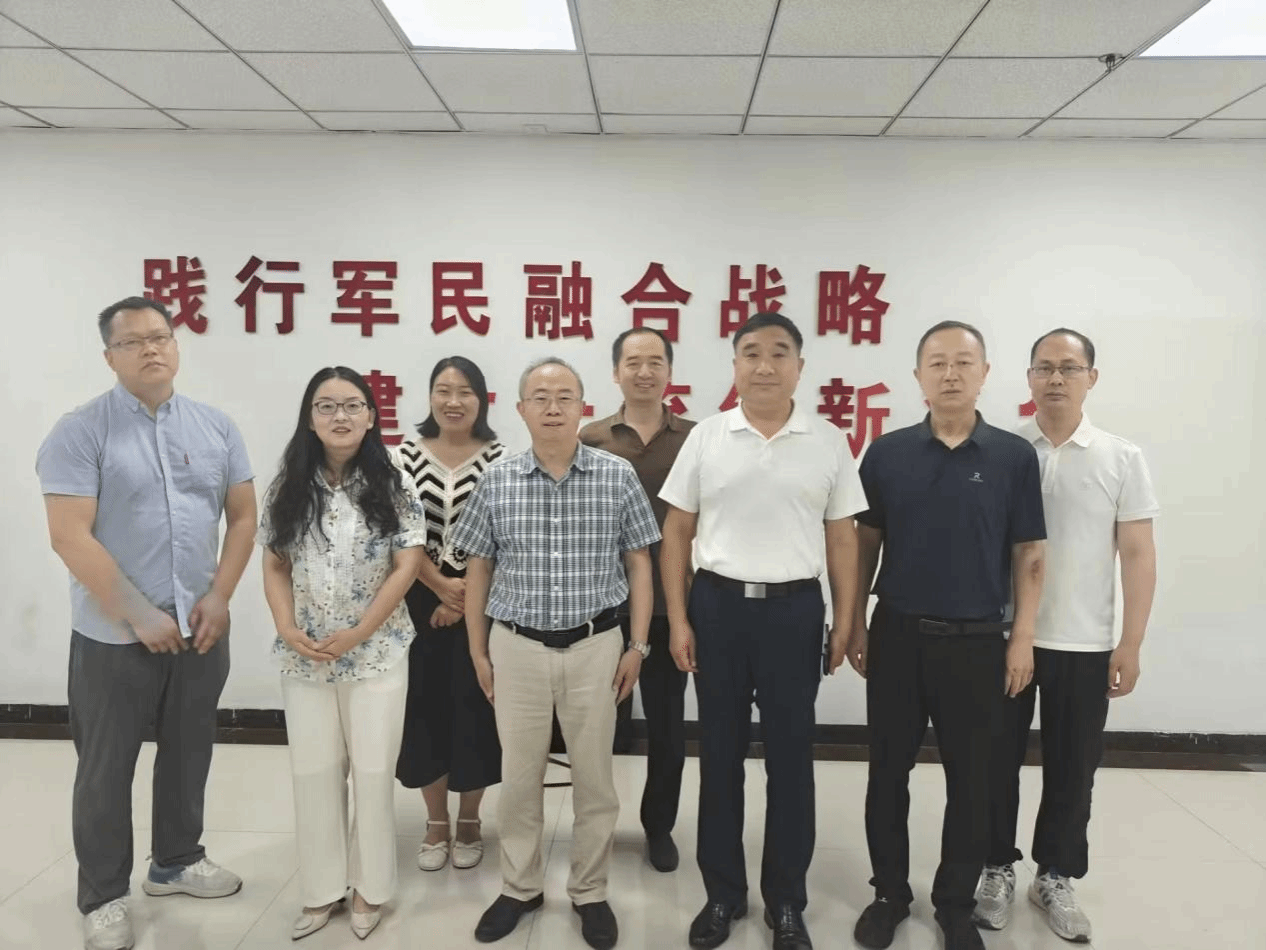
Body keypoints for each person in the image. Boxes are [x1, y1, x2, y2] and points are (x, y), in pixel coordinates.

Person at [36, 296, 256, 950]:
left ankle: (176, 862)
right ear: (110, 357)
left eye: (160, 336)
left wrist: (220, 595)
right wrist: (137, 613)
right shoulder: (80, 432)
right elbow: (69, 536)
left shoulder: (215, 427)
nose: (151, 349)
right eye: (132, 342)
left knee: (190, 752)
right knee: (106, 770)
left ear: (176, 345)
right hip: (113, 639)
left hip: (201, 628)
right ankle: (104, 896)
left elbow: (243, 517)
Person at [659, 312, 865, 950]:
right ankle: (722, 894)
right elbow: (677, 532)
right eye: (751, 352)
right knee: (720, 758)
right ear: (735, 366)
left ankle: (787, 903)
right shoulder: (708, 437)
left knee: (791, 761)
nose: (765, 365)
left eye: (779, 353)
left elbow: (842, 538)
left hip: (794, 611)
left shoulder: (828, 441)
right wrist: (680, 618)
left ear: (800, 367)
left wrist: (846, 620)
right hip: (717, 608)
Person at [847, 320, 1046, 950]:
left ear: (985, 374)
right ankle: (889, 893)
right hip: (897, 636)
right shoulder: (887, 453)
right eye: (937, 363)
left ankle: (955, 904)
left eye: (964, 362)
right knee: (888, 772)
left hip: (979, 641)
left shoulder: (1013, 458)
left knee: (972, 779)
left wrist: (1022, 638)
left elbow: (1029, 554)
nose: (951, 373)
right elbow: (865, 544)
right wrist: (853, 622)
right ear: (918, 376)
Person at [450, 357, 660, 950]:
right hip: (515, 646)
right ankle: (519, 887)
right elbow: (478, 568)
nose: (552, 407)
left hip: (597, 645)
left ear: (582, 407)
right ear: (520, 409)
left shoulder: (617, 475)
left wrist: (638, 645)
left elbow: (639, 563)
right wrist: (478, 650)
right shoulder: (497, 479)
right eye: (539, 397)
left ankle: (590, 891)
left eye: (564, 396)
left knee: (595, 780)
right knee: (519, 779)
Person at [974, 328, 1158, 943]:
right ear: (1027, 377)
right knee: (994, 760)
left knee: (1073, 767)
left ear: (1091, 378)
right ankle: (996, 867)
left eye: (1069, 368)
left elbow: (1138, 554)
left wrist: (1130, 643)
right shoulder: (1004, 452)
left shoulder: (1120, 457)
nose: (1056, 379)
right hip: (1005, 636)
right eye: (1044, 368)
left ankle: (1054, 875)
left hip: (1084, 641)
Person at [259, 366, 427, 941]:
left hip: (377, 651)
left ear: (372, 415)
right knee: (313, 772)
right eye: (326, 406)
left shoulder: (394, 478)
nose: (340, 416)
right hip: (305, 655)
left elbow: (407, 563)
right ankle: (320, 891)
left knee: (374, 773)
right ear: (310, 418)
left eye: (353, 405)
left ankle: (369, 889)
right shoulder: (288, 485)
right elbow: (274, 563)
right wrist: (285, 625)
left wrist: (360, 631)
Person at [580, 327, 694, 873]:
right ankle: (595, 826)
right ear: (616, 372)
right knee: (596, 726)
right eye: (633, 362)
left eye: (655, 362)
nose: (644, 372)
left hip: (674, 605)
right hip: (603, 605)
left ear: (669, 371)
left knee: (668, 727)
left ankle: (658, 826)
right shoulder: (591, 437)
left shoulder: (695, 438)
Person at [395, 356, 504, 872]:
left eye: (465, 391)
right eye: (443, 390)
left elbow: (505, 537)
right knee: (424, 711)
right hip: (416, 600)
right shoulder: (403, 457)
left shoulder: (501, 459)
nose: (453, 401)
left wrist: (463, 600)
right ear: (430, 396)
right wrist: (440, 587)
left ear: (481, 400)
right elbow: (396, 533)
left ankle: (470, 819)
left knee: (475, 711)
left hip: (483, 603)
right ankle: (436, 821)